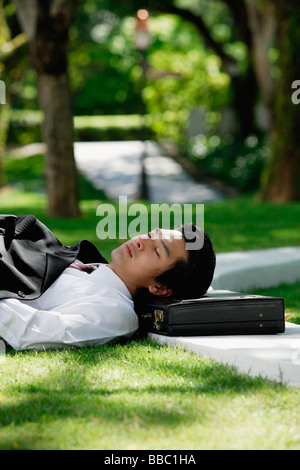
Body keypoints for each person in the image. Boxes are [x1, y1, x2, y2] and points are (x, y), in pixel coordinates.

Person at [0, 214, 215, 351]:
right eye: (151, 234)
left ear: (159, 288)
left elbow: (30, 330)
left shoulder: (115, 312)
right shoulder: (85, 261)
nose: (141, 241)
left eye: (157, 250)